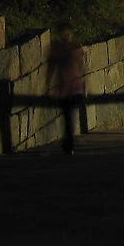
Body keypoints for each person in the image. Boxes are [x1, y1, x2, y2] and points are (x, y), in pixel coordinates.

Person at [46, 26, 86, 154]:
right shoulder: (75, 48)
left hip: (68, 89)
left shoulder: (58, 50)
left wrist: (47, 86)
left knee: (68, 117)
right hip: (72, 88)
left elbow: (51, 69)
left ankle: (68, 144)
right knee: (69, 117)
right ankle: (69, 143)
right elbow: (83, 68)